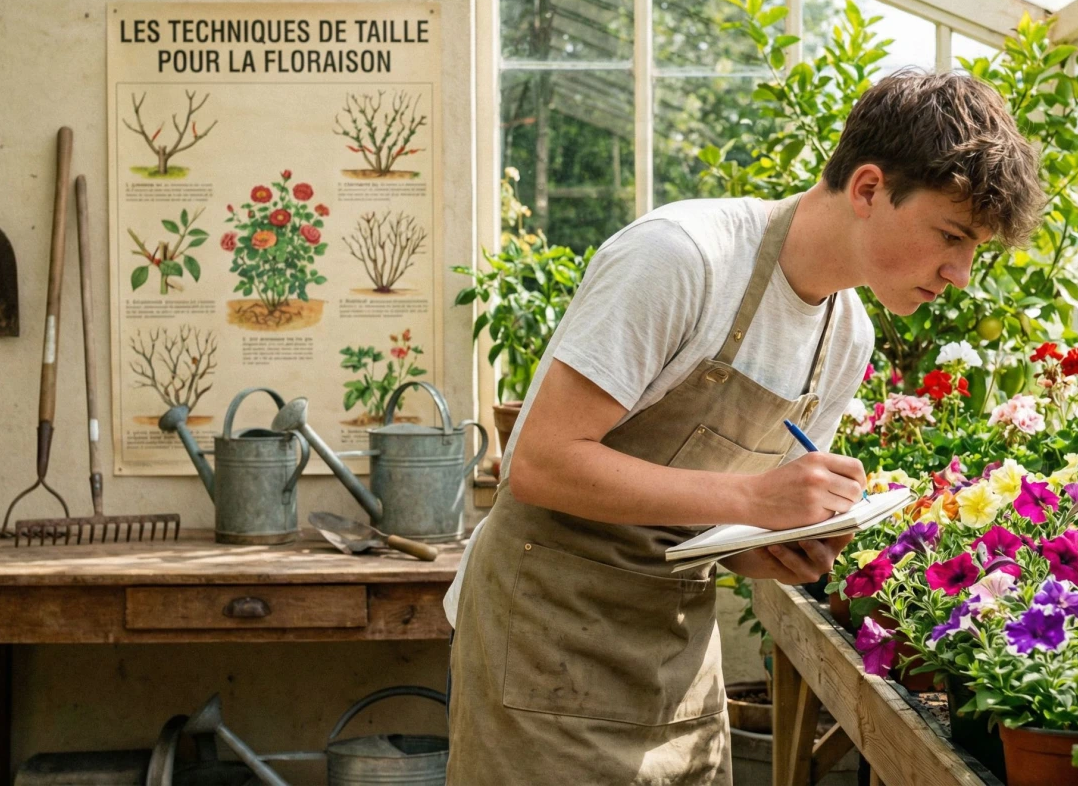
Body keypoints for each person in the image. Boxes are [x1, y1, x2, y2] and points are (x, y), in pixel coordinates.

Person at [444, 69, 1044, 784]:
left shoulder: (845, 336)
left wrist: (765, 548)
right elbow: (539, 463)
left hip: (671, 645)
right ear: (868, 189)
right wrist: (755, 503)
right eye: (952, 235)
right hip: (541, 637)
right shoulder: (682, 257)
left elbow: (705, 520)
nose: (961, 273)